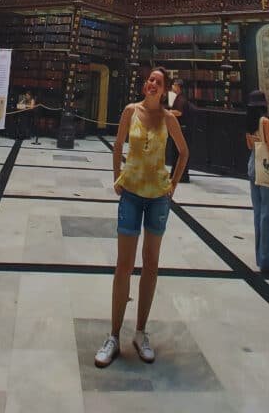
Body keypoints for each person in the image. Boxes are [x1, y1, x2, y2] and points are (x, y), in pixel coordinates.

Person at [95, 67, 188, 369]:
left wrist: (172, 185)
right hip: (132, 195)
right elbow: (118, 144)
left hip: (158, 198)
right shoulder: (129, 111)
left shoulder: (168, 118)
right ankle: (113, 336)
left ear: (164, 91)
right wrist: (116, 178)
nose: (152, 84)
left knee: (150, 264)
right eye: (150, 80)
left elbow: (184, 152)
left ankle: (139, 333)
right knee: (124, 265)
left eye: (158, 82)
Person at [245, 89, 269, 273]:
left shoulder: (249, 122)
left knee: (258, 212)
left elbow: (249, 145)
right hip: (265, 166)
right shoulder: (265, 121)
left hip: (253, 165)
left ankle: (261, 257)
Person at [168, 80, 192, 183]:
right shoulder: (178, 97)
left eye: (174, 85)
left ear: (178, 86)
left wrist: (167, 112)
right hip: (179, 128)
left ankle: (181, 176)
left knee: (179, 152)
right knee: (175, 153)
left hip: (182, 129)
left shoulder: (181, 99)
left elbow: (179, 112)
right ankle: (175, 174)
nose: (172, 87)